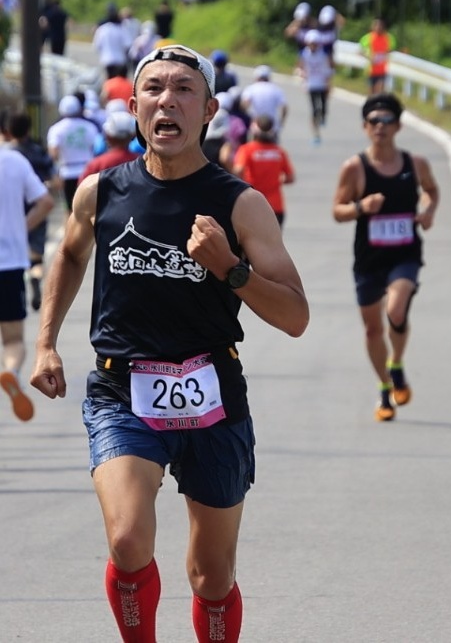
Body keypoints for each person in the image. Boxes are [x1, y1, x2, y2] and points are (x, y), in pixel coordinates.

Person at [30, 43, 309, 642]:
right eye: (154, 89)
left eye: (184, 89)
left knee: (211, 576)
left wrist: (231, 268)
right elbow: (72, 254)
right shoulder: (99, 192)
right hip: (121, 388)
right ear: (134, 107)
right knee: (128, 539)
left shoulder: (241, 205)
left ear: (208, 110)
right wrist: (46, 342)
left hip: (211, 390)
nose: (168, 100)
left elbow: (295, 316)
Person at [332, 93, 439, 421]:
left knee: (395, 308)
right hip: (369, 258)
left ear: (398, 127)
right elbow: (338, 210)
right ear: (365, 127)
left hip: (405, 252)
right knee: (372, 330)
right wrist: (363, 207)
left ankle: (397, 362)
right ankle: (385, 387)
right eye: (374, 121)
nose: (380, 127)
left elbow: (432, 191)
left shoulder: (415, 163)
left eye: (387, 121)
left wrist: (429, 212)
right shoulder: (355, 168)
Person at [0, 136, 54, 421]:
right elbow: (45, 201)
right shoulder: (13, 161)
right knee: (12, 339)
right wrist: (20, 230)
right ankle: (10, 371)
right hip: (8, 263)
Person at [7, 112, 58, 311]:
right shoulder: (39, 152)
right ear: (29, 129)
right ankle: (35, 280)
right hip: (37, 210)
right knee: (36, 255)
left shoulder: (8, 154)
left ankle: (21, 280)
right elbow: (56, 181)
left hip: (11, 212)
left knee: (14, 256)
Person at [233, 115, 295, 227]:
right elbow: (290, 178)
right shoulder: (279, 152)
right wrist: (275, 181)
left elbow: (238, 171)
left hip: (252, 204)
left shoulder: (247, 150)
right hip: (275, 206)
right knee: (273, 242)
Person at [47, 95, 99, 213]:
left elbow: (53, 153)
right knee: (90, 210)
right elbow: (97, 148)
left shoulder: (56, 129)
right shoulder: (90, 126)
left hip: (67, 172)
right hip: (88, 171)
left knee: (70, 210)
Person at [77, 111, 138, 183]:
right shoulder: (141, 162)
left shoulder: (96, 165)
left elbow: (82, 190)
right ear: (133, 136)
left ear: (107, 136)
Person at [298, 29, 333, 144]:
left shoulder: (323, 54)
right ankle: (316, 134)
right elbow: (301, 66)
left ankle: (322, 117)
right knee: (314, 109)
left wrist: (328, 83)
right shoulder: (304, 53)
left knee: (323, 106)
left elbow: (328, 68)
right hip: (311, 84)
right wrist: (302, 77)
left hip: (322, 83)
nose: (312, 46)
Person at [240, 65, 288, 137]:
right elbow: (284, 107)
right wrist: (281, 121)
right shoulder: (276, 89)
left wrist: (246, 118)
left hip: (256, 125)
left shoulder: (251, 88)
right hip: (272, 127)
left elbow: (245, 104)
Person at [359, 18, 396, 95]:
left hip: (382, 70)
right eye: (376, 25)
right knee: (372, 93)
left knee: (380, 91)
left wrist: (385, 54)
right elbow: (360, 51)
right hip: (371, 70)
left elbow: (391, 49)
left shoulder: (388, 38)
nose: (378, 28)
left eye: (380, 26)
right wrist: (369, 58)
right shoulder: (368, 37)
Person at [93, 9, 129, 80]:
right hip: (120, 60)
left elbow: (97, 46)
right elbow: (127, 45)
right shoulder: (121, 29)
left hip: (107, 60)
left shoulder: (102, 29)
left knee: (109, 81)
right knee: (120, 81)